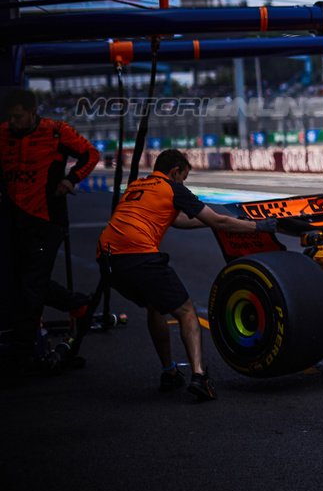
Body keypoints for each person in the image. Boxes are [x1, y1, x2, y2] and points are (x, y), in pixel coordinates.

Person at [97, 149, 277, 400]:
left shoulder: (138, 186)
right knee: (187, 312)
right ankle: (199, 376)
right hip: (139, 256)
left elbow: (178, 220)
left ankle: (169, 373)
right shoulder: (173, 188)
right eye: (184, 177)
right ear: (175, 172)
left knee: (154, 306)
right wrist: (258, 226)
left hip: (108, 261)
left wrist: (210, 222)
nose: (183, 183)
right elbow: (219, 222)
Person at [1, 88, 99, 374]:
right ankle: (82, 306)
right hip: (15, 220)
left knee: (31, 288)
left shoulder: (56, 132)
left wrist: (71, 180)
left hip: (46, 221)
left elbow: (90, 154)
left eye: (18, 116)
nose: (13, 122)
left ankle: (18, 362)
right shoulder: (3, 133)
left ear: (33, 112)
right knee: (26, 283)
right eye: (10, 117)